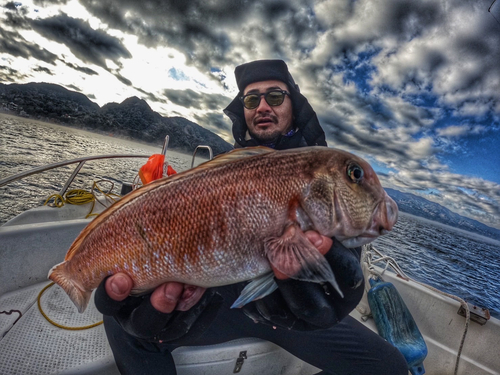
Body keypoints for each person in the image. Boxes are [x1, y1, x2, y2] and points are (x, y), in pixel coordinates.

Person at [95, 59, 408, 375]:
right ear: (242, 109)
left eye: (274, 96)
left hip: (292, 314)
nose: (262, 106)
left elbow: (344, 247)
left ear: (293, 104)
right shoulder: (220, 171)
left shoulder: (329, 176)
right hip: (223, 302)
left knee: (389, 367)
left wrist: (340, 281)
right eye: (250, 99)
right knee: (123, 321)